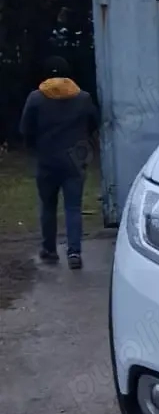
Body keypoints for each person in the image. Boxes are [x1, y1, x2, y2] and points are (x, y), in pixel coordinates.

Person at [19, 61, 100, 269]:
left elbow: (25, 129)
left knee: (48, 206)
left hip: (47, 160)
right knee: (73, 207)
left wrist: (34, 148)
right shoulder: (83, 98)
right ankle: (74, 252)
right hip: (75, 160)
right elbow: (94, 123)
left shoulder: (36, 98)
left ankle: (49, 250)